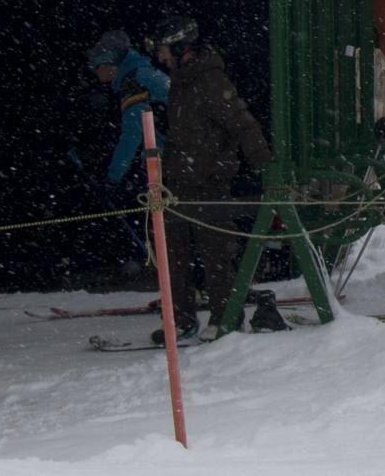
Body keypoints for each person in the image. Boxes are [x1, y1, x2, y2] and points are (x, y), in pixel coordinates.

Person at [146, 19, 271, 342]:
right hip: (178, 183)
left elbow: (244, 125)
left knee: (216, 254)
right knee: (173, 254)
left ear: (179, 48)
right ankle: (181, 319)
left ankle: (225, 317)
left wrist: (266, 170)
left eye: (163, 51)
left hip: (209, 183)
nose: (160, 58)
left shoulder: (211, 82)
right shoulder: (180, 83)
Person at [88, 29, 168, 192]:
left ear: (108, 63)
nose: (95, 73)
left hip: (181, 151)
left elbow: (132, 134)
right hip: (190, 146)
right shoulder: (143, 73)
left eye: (96, 67)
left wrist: (112, 178)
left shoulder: (133, 82)